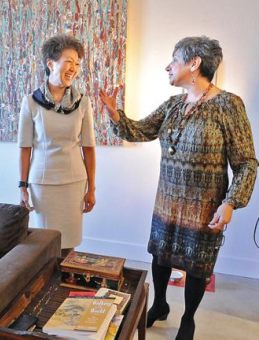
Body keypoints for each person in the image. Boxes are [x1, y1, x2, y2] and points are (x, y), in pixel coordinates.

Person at [99, 36, 258, 340]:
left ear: (194, 63)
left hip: (204, 207)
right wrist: (114, 115)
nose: (167, 66)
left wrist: (231, 202)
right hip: (167, 202)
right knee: (160, 257)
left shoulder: (228, 105)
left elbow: (247, 162)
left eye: (174, 59)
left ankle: (188, 320)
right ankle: (160, 305)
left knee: (197, 267)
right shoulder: (173, 104)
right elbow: (141, 129)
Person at [17, 34, 96, 258]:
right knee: (44, 242)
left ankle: (62, 286)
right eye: (68, 61)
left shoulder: (83, 102)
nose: (74, 68)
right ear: (51, 63)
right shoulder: (31, 102)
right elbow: (25, 147)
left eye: (77, 63)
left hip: (74, 182)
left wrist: (92, 188)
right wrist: (22, 186)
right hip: (42, 183)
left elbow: (88, 148)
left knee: (69, 242)